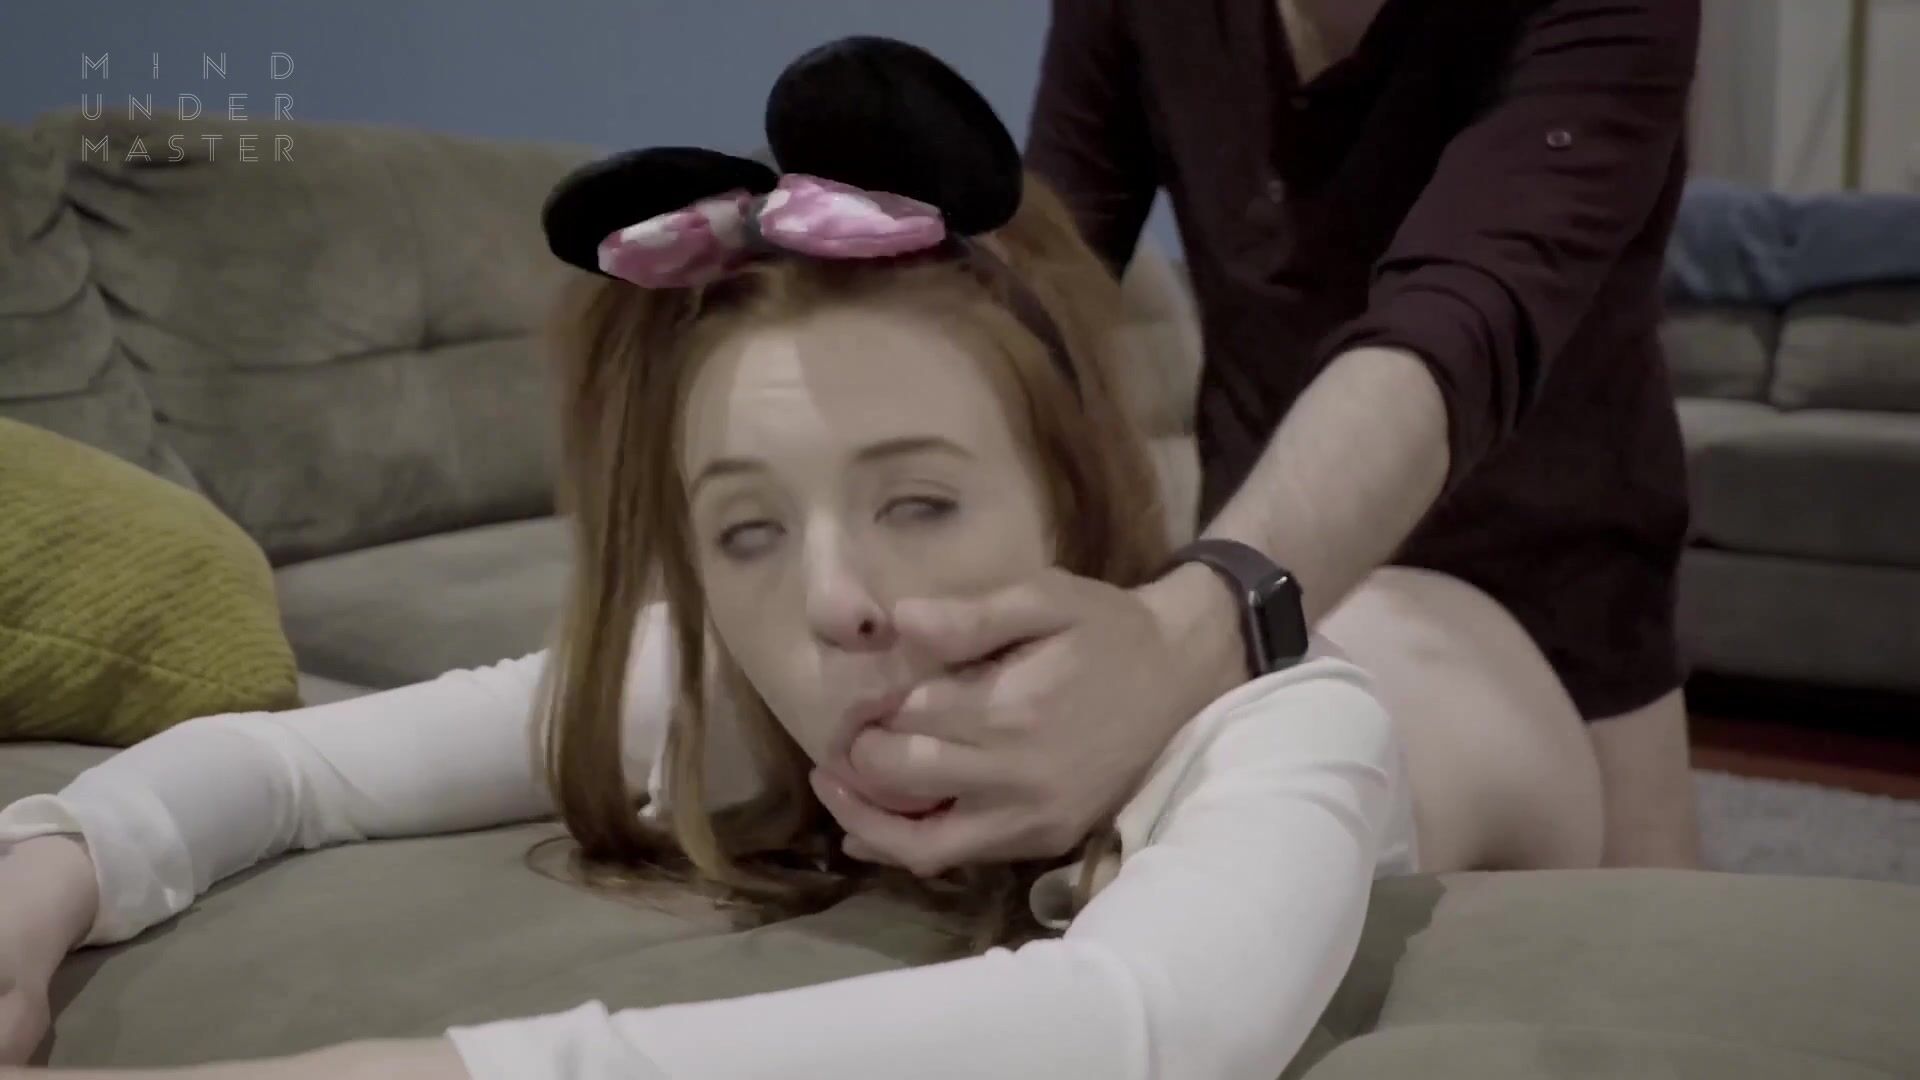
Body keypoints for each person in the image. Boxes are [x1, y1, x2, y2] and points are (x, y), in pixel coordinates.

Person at [0, 37, 1598, 1080]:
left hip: (1474, 674)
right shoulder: (716, 685)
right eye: (749, 530)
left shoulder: (1279, 722)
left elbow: (1137, 1027)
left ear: (1064, 502)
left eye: (921, 504)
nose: (834, 602)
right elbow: (297, 769)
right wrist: (52, 867)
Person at [823, 0, 1707, 878]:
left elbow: (1456, 328)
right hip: (1266, 577)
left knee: (1647, 941)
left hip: (1553, 582)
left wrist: (1184, 636)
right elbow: (1054, 275)